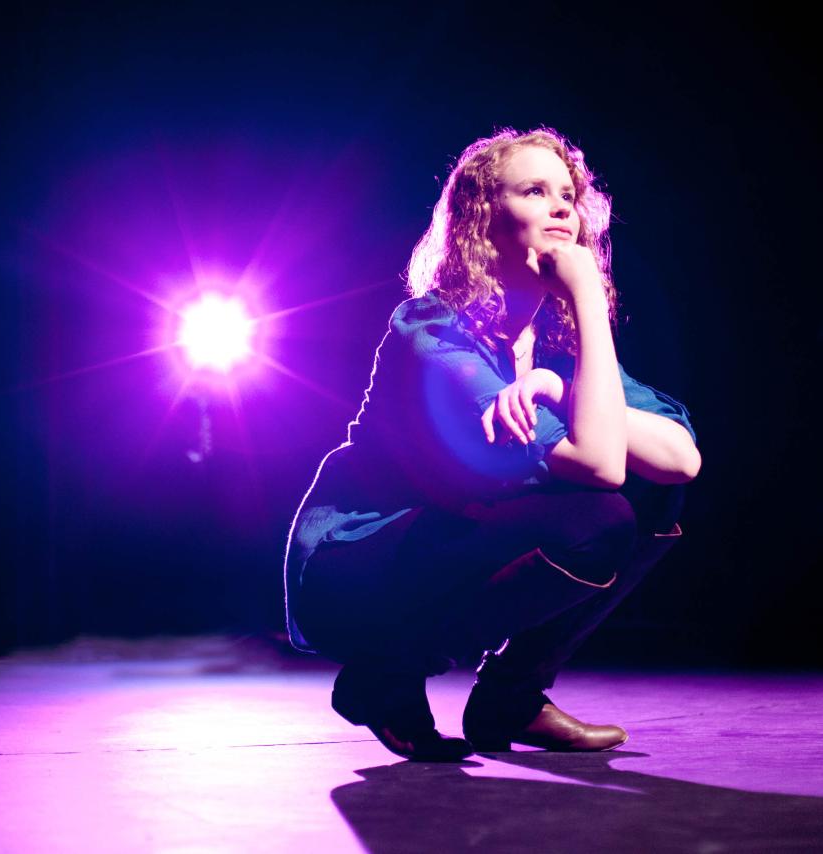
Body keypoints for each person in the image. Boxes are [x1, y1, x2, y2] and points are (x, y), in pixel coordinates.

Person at [282, 127, 701, 761]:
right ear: (482, 220)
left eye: (569, 194)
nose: (562, 207)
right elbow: (600, 465)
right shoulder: (435, 334)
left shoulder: (557, 351)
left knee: (651, 501)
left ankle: (513, 694)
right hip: (362, 560)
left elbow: (680, 461)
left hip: (457, 542)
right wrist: (589, 291)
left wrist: (557, 385)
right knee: (599, 516)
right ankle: (387, 672)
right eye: (535, 191)